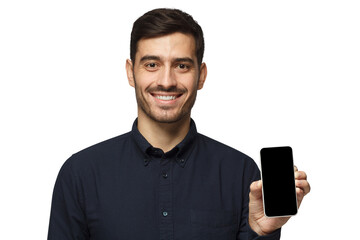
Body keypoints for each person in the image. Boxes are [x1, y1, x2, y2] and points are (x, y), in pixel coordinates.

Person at [48, 8, 310, 240]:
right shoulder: (79, 174)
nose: (166, 80)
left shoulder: (241, 174)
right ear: (130, 72)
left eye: (182, 65)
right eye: (152, 64)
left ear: (201, 75)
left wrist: (261, 233)